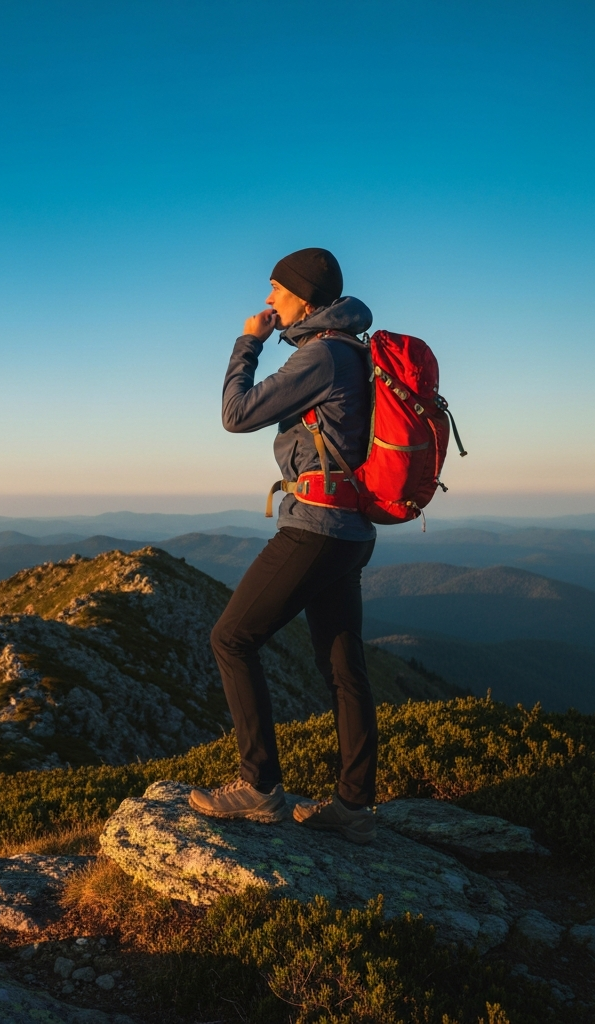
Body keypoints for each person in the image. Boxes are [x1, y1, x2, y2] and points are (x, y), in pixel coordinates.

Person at [188, 247, 379, 844]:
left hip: (314, 528)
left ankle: (259, 787)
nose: (268, 301)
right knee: (343, 667)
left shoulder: (321, 355)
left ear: (305, 296)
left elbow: (236, 414)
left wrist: (247, 342)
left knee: (231, 638)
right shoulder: (351, 349)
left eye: (275, 290)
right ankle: (353, 806)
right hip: (351, 530)